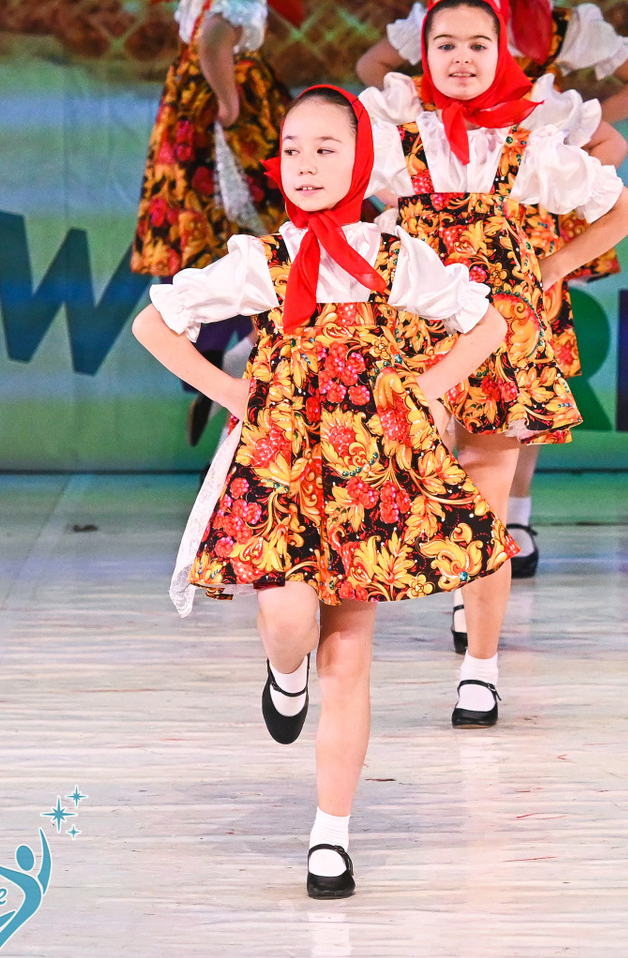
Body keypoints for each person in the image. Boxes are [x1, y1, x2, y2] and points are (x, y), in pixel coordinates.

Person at [133, 85, 511, 898]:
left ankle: (330, 834)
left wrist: (427, 389)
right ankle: (284, 672)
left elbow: (487, 322)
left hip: (368, 472)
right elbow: (153, 323)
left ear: (361, 160)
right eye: (293, 150)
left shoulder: (393, 256)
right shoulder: (262, 260)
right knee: (287, 620)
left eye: (326, 149)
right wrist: (231, 392)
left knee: (350, 652)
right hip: (282, 469)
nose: (306, 165)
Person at [363, 0, 628, 726]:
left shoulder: (528, 145)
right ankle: (315, 650)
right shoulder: (392, 137)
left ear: (501, 55)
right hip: (412, 332)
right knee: (399, 485)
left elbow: (625, 208)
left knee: (486, 502)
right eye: (446, 45)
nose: (461, 58)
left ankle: (480, 671)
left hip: (500, 337)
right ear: (425, 54)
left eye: (478, 46)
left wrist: (551, 268)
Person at [133, 0, 304, 444]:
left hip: (188, 122)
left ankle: (220, 358)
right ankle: (240, 354)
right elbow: (212, 42)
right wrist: (230, 103)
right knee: (269, 224)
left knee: (207, 227)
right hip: (232, 119)